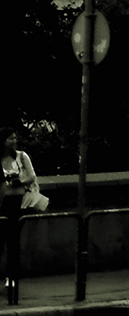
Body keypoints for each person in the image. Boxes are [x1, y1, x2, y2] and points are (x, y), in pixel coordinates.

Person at [2, 128, 41, 303]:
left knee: (13, 242)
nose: (14, 141)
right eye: (11, 138)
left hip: (18, 203)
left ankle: (12, 277)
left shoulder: (22, 157)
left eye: (15, 137)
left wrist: (19, 181)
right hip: (2, 203)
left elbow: (32, 176)